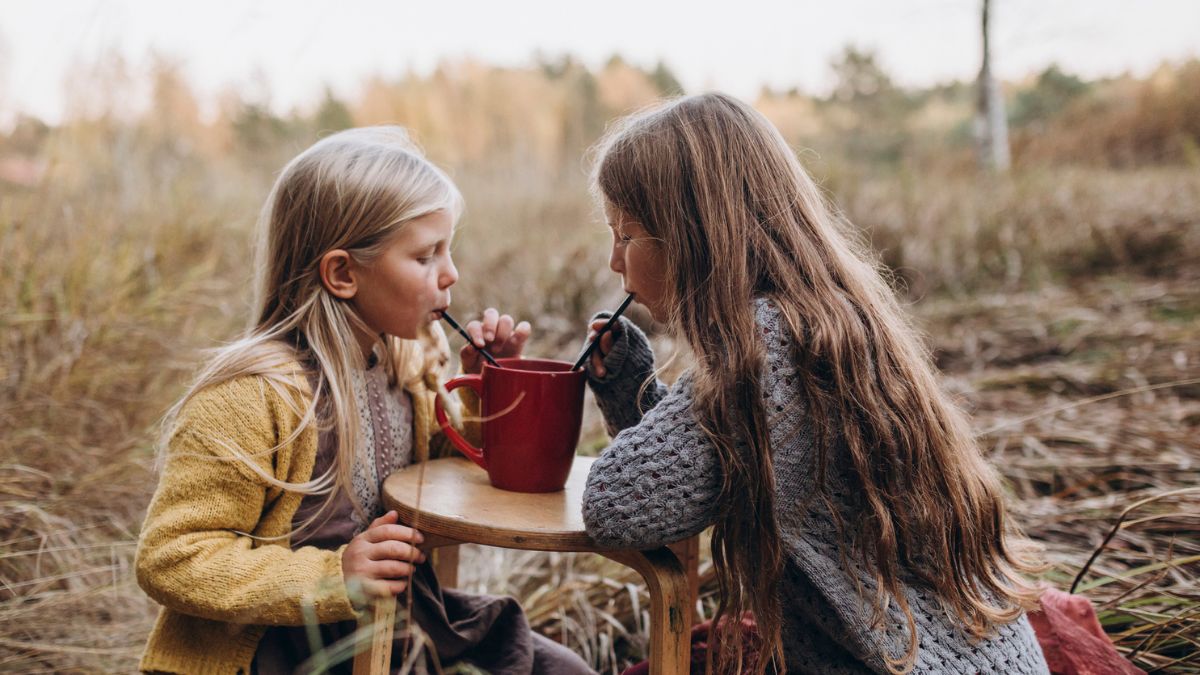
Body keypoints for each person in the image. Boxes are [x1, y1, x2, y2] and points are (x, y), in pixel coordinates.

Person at [579, 93, 1049, 674]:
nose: (614, 261)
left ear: (691, 235)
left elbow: (616, 505)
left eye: (625, 235)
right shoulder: (822, 318)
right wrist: (630, 386)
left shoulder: (763, 351)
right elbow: (700, 474)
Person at [135, 126, 594, 675]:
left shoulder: (405, 366)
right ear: (343, 273)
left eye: (448, 249)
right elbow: (171, 558)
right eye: (425, 256)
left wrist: (485, 390)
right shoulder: (251, 396)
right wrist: (334, 577)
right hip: (283, 650)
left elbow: (447, 476)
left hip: (401, 626)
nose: (451, 273)